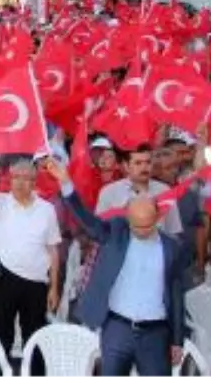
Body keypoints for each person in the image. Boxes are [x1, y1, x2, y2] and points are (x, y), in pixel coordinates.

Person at [49, 159, 186, 377]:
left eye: (148, 226)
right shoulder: (115, 232)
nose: (141, 231)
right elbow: (87, 220)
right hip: (117, 329)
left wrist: (178, 339)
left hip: (155, 333)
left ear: (158, 218)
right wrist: (66, 183)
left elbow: (176, 294)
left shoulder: (171, 248)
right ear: (127, 219)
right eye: (136, 226)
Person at [0, 159, 61, 376]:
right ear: (9, 180)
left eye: (27, 178)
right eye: (16, 178)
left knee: (35, 338)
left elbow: (53, 251)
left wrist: (54, 287)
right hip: (4, 280)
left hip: (36, 283)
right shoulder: (0, 203)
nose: (21, 183)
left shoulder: (47, 210)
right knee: (0, 337)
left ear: (35, 181)